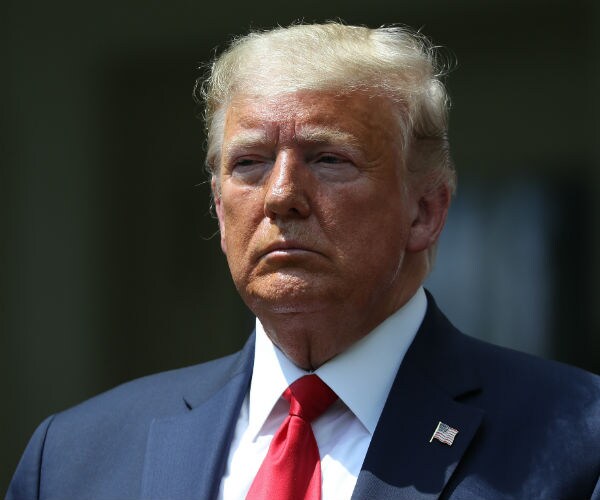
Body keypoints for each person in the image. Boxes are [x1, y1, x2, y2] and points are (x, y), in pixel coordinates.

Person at [6, 22, 600, 500]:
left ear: (425, 211)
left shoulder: (580, 439)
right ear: (218, 210)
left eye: (329, 159)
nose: (280, 194)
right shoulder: (74, 456)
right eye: (249, 163)